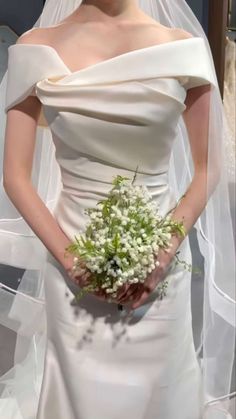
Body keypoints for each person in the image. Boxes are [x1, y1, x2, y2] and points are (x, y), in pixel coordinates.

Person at [0, 1, 235, 418]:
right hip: (70, 264)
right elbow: (15, 176)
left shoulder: (184, 49)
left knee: (159, 392)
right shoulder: (36, 49)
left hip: (160, 270)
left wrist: (163, 253)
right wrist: (74, 264)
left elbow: (207, 166)